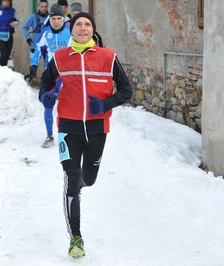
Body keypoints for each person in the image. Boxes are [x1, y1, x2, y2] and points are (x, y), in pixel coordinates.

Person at [39, 12, 132, 257]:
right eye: (78, 24)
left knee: (88, 179)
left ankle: (79, 185)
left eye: (87, 24)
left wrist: (105, 105)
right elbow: (45, 84)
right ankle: (76, 237)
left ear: (93, 30)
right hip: (68, 128)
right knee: (71, 178)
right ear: (72, 30)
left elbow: (126, 90)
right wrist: (46, 98)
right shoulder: (60, 58)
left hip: (97, 129)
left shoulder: (108, 57)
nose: (83, 27)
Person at [26, 3, 71, 148]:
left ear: (63, 19)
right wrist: (33, 69)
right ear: (50, 20)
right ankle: (49, 135)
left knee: (67, 106)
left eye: (59, 18)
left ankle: (67, 135)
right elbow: (37, 51)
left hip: (67, 76)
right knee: (48, 103)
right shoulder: (45, 34)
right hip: (50, 75)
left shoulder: (70, 32)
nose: (56, 21)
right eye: (54, 19)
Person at [22, 0, 49, 81]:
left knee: (47, 64)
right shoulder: (33, 17)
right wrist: (28, 38)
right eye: (42, 7)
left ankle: (46, 81)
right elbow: (24, 28)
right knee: (34, 63)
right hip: (35, 44)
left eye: (46, 7)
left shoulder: (50, 17)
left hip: (47, 45)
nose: (44, 9)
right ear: (38, 7)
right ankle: (30, 80)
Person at [0, 0, 19, 66]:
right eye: (4, 1)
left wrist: (14, 23)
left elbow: (17, 20)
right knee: (4, 52)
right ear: (2, 2)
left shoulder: (13, 11)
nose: (6, 3)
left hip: (9, 33)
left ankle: (4, 68)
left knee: (8, 53)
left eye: (7, 2)